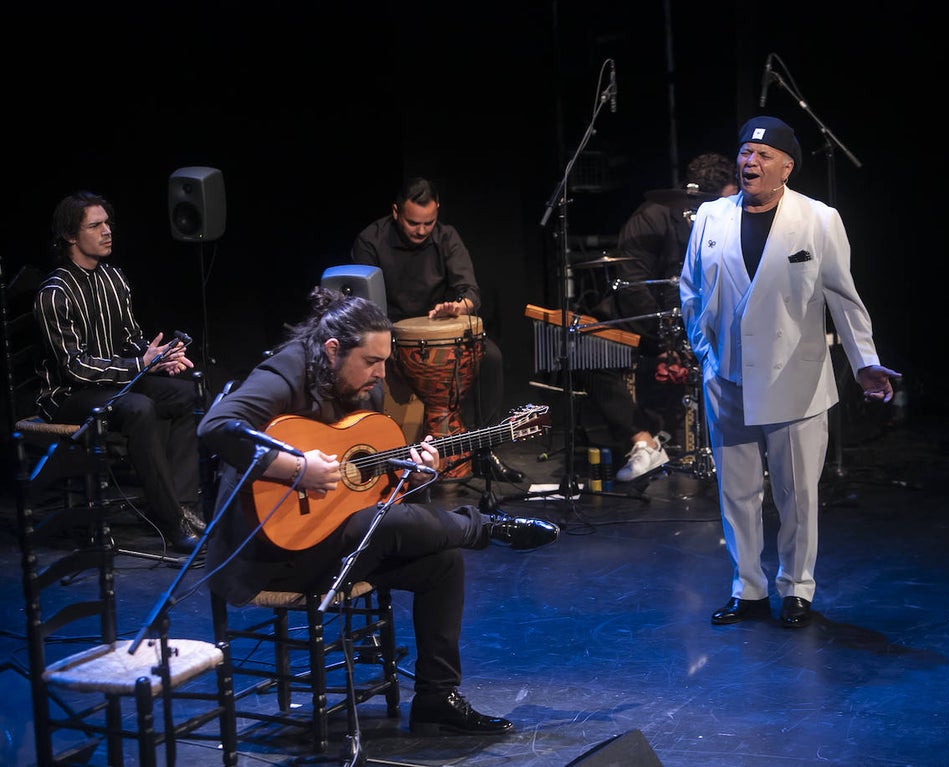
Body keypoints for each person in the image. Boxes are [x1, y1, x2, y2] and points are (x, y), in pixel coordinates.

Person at [197, 287, 560, 735]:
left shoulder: (365, 391)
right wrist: (297, 468)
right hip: (269, 553)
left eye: (385, 361)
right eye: (371, 362)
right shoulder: (286, 372)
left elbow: (376, 489)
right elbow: (215, 427)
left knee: (441, 563)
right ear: (332, 350)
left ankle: (435, 698)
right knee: (382, 525)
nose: (381, 374)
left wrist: (419, 475)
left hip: (336, 545)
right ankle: (484, 527)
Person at [679, 117, 901, 628]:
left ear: (786, 167)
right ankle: (749, 590)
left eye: (761, 155)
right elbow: (690, 290)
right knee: (736, 492)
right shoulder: (712, 216)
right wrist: (704, 352)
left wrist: (865, 363)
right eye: (744, 153)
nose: (748, 162)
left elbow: (843, 298)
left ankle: (797, 589)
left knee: (796, 493)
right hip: (727, 377)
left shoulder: (818, 220)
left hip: (794, 380)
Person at [33, 191, 204, 553]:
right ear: (70, 236)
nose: (107, 231)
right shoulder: (55, 293)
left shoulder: (114, 279)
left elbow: (129, 338)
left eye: (107, 223)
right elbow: (75, 368)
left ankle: (184, 506)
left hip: (115, 380)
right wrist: (138, 366)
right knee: (138, 407)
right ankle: (171, 521)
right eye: (95, 226)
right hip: (68, 397)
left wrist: (156, 356)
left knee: (184, 393)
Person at [350, 177, 523, 483]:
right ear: (395, 211)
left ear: (438, 212)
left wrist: (460, 306)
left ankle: (484, 451)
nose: (421, 230)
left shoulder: (446, 237)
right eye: (413, 222)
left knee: (491, 356)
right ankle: (383, 455)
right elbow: (363, 305)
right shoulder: (370, 241)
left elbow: (470, 291)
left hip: (439, 332)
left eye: (429, 222)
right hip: (389, 334)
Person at [584, 153, 738, 482]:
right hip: (648, 324)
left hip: (703, 324)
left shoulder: (727, 224)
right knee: (590, 350)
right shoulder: (651, 219)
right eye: (728, 197)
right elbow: (633, 288)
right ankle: (644, 442)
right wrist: (666, 338)